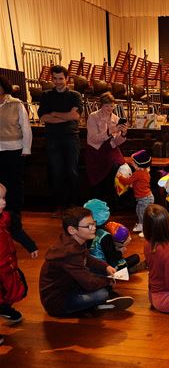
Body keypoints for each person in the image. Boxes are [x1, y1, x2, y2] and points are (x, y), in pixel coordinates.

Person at [39, 206, 134, 317]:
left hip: (69, 286)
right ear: (72, 230)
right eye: (88, 226)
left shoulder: (75, 239)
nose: (93, 228)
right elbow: (89, 283)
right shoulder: (69, 252)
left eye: (93, 223)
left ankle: (94, 304)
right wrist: (108, 282)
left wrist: (105, 267)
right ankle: (93, 305)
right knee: (101, 294)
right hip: (58, 302)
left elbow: (87, 258)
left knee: (101, 273)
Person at [38, 65, 83, 216]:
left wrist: (55, 114)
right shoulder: (46, 95)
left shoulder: (75, 95)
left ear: (67, 78)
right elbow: (43, 117)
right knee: (56, 173)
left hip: (71, 137)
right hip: (52, 138)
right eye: (55, 78)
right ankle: (59, 205)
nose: (57, 82)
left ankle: (74, 206)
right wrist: (65, 116)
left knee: (72, 172)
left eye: (61, 78)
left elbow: (75, 117)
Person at [0, 75, 37, 254]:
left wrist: (26, 149)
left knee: (14, 187)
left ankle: (15, 223)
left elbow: (26, 127)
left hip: (15, 150)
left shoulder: (16, 104)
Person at [0, 183, 37, 337]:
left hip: (7, 265)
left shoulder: (6, 218)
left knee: (15, 288)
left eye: (3, 197)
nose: (3, 202)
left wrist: (30, 246)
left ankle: (3, 308)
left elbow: (17, 232)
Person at [85, 92, 127, 206]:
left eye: (111, 105)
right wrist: (110, 132)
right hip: (96, 151)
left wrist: (123, 134)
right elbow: (94, 139)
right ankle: (100, 202)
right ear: (101, 105)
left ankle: (113, 201)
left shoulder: (116, 118)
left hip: (110, 149)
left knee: (118, 166)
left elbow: (116, 142)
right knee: (106, 172)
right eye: (106, 105)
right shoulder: (93, 117)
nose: (109, 108)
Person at [83, 199, 140, 272]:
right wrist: (120, 251)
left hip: (91, 265)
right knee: (135, 257)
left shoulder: (86, 232)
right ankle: (125, 271)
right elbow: (113, 257)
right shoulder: (105, 235)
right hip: (106, 267)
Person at [117, 149, 154, 236]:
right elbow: (142, 184)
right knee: (139, 211)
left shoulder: (138, 173)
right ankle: (141, 225)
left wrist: (120, 177)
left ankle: (146, 230)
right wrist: (133, 185)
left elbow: (126, 181)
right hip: (145, 197)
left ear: (138, 164)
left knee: (143, 214)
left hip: (144, 198)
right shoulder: (145, 172)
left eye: (133, 162)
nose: (131, 163)